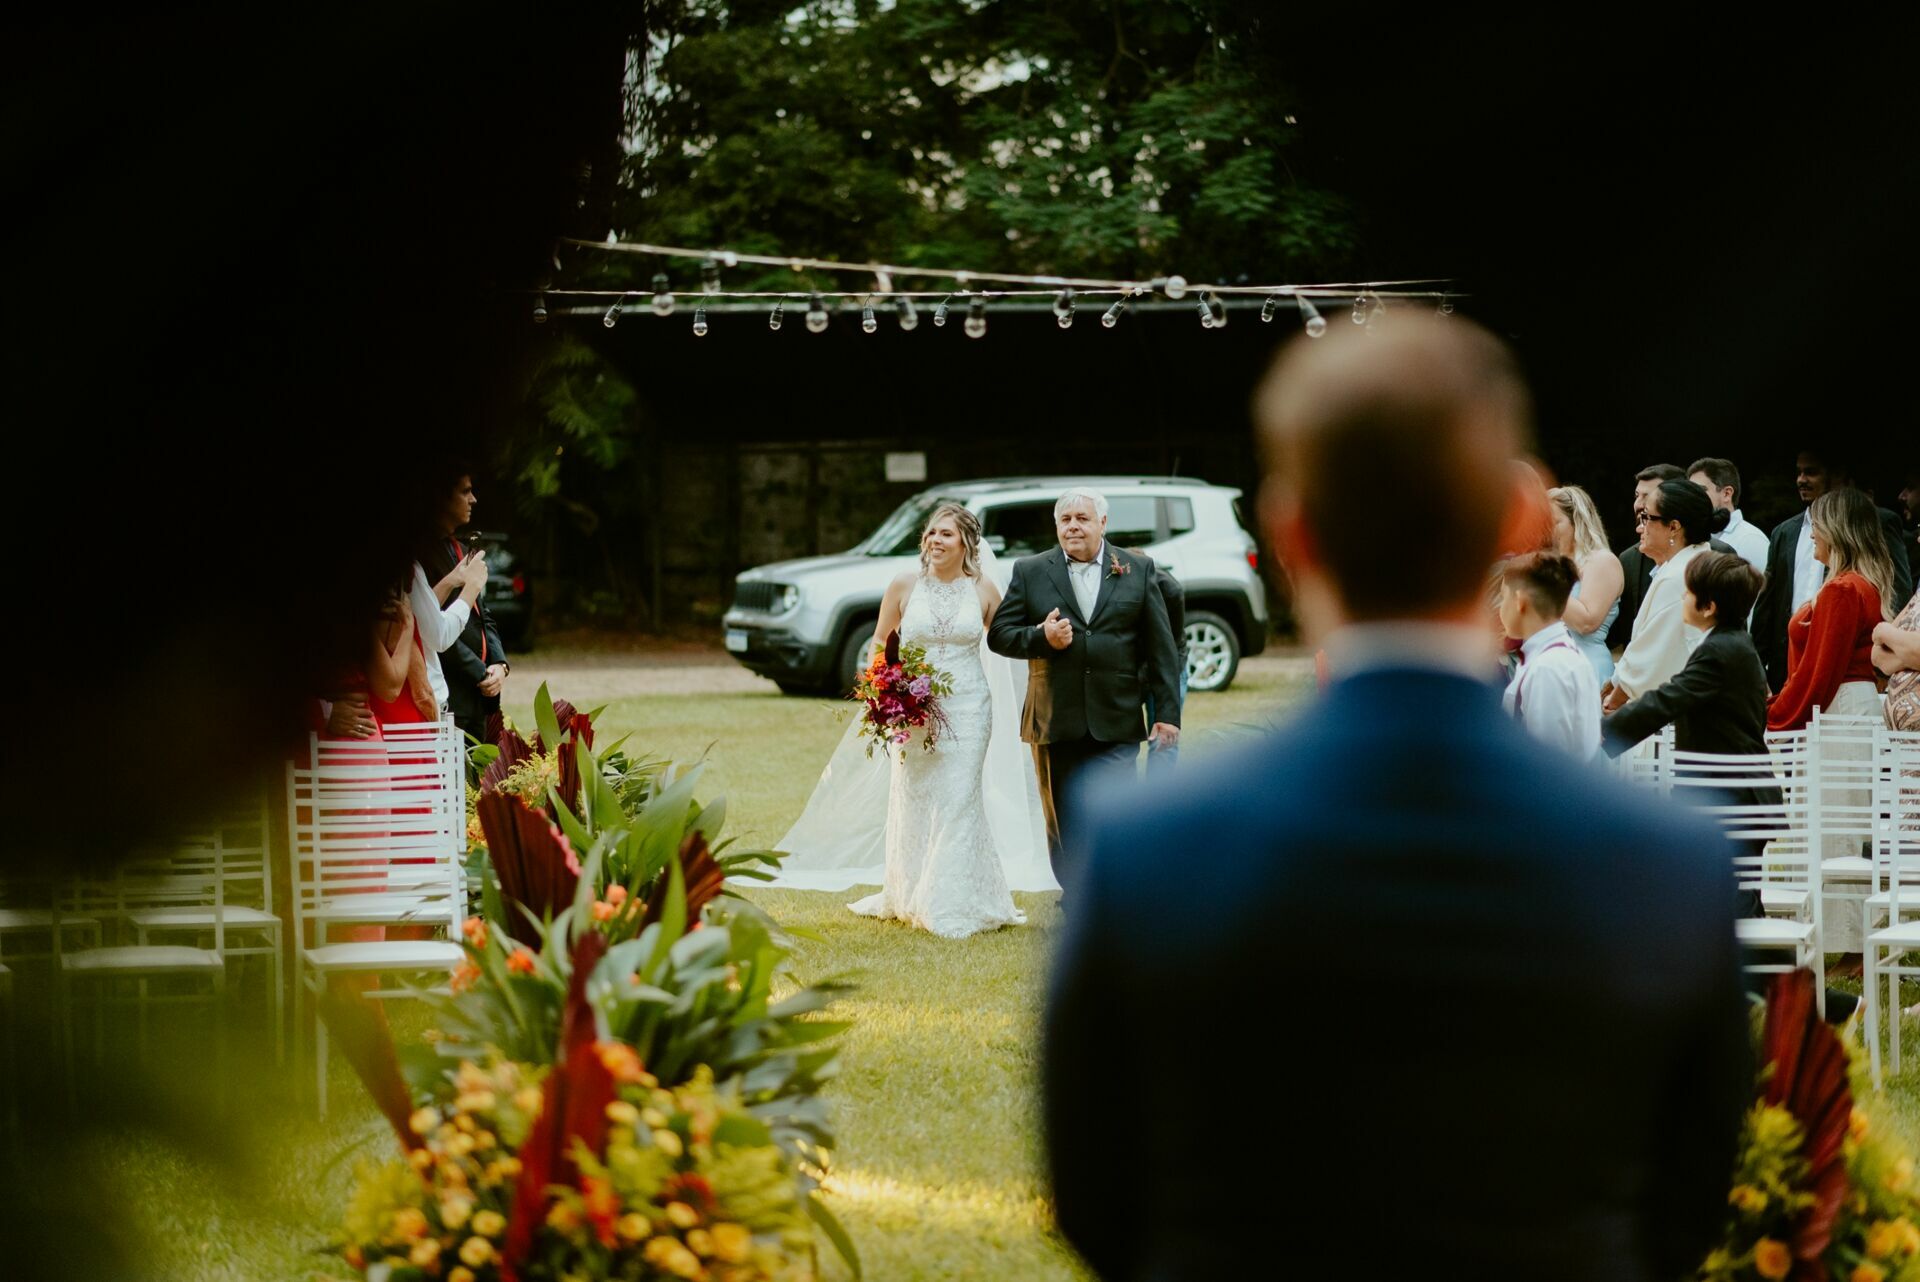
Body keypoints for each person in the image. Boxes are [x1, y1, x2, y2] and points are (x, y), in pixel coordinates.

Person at [1044, 314, 1746, 1282]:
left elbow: (1099, 1205)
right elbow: (1684, 1214)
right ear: (1517, 518)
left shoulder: (1142, 846)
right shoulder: (1668, 861)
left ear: (1291, 530)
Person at [770, 509, 1055, 907]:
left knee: (960, 798)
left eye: (946, 535)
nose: (935, 541)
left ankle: (950, 900)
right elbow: (879, 641)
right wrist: (883, 692)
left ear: (966, 544)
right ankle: (911, 890)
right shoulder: (904, 585)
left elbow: (1008, 637)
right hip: (913, 710)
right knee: (916, 797)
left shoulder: (985, 590)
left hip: (970, 709)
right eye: (931, 533)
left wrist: (1043, 635)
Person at [986, 487, 1182, 889]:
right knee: (1063, 819)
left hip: (1118, 714)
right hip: (1055, 718)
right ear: (1057, 526)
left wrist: (1167, 714)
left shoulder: (1137, 569)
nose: (1073, 526)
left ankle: (1113, 892)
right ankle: (1076, 895)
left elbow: (1162, 649)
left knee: (1118, 811)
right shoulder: (1030, 570)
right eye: (1065, 520)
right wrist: (1042, 637)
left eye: (1082, 518)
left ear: (1103, 523)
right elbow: (1000, 635)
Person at [1753, 449, 1913, 691]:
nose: (1801, 480)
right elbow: (1768, 605)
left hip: (1848, 669)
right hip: (1788, 665)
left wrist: (1889, 662)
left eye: (1811, 472)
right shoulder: (1783, 532)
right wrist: (1757, 667)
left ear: (1836, 476)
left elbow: (1897, 591)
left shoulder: (1875, 523)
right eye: (1798, 472)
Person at [1604, 552, 1771, 758]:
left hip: (1728, 783)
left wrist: (1602, 732)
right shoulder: (1731, 642)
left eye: (1690, 592)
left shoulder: (1719, 651)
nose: (1683, 597)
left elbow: (1668, 699)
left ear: (1709, 607)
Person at [1767, 486, 1899, 733]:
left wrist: (1774, 714)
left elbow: (1819, 673)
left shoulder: (1843, 589)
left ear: (1836, 531)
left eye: (1816, 525)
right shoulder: (1861, 584)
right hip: (1845, 707)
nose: (1811, 535)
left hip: (1837, 709)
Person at [1604, 479, 1728, 712]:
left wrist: (1614, 701)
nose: (1640, 527)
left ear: (1673, 527)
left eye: (1647, 518)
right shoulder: (1694, 561)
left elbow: (1653, 655)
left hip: (1677, 715)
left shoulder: (1680, 576)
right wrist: (1613, 683)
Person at [417, 467, 510, 743]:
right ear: (441, 497)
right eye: (465, 491)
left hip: (480, 692)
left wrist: (500, 664)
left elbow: (482, 614)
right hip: (451, 686)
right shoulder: (420, 554)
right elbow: (431, 625)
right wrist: (480, 672)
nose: (474, 500)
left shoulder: (457, 547)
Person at [1497, 552, 1601, 758]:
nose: (1500, 607)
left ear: (1520, 601)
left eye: (1502, 598)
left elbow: (1548, 757)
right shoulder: (1557, 657)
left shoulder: (1548, 668)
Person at [1545, 484, 1622, 684]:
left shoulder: (1601, 561)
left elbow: (1586, 622)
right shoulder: (1554, 564)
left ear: (1577, 522)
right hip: (1551, 670)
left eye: (1555, 522)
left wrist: (1547, 580)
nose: (1548, 531)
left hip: (1587, 669)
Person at [1606, 463, 1685, 654]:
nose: (1638, 504)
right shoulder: (1628, 560)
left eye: (1647, 496)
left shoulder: (1712, 555)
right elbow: (1618, 630)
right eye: (1637, 496)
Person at [1143, 563, 1187, 777]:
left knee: (1163, 740)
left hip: (1168, 669)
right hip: (1126, 670)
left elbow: (1172, 645)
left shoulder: (1169, 590)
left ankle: (1154, 801)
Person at [1687, 456, 1768, 571]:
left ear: (1727, 494)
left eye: (1700, 490)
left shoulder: (1750, 540)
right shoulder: (1694, 536)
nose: (1692, 497)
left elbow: (1761, 588)